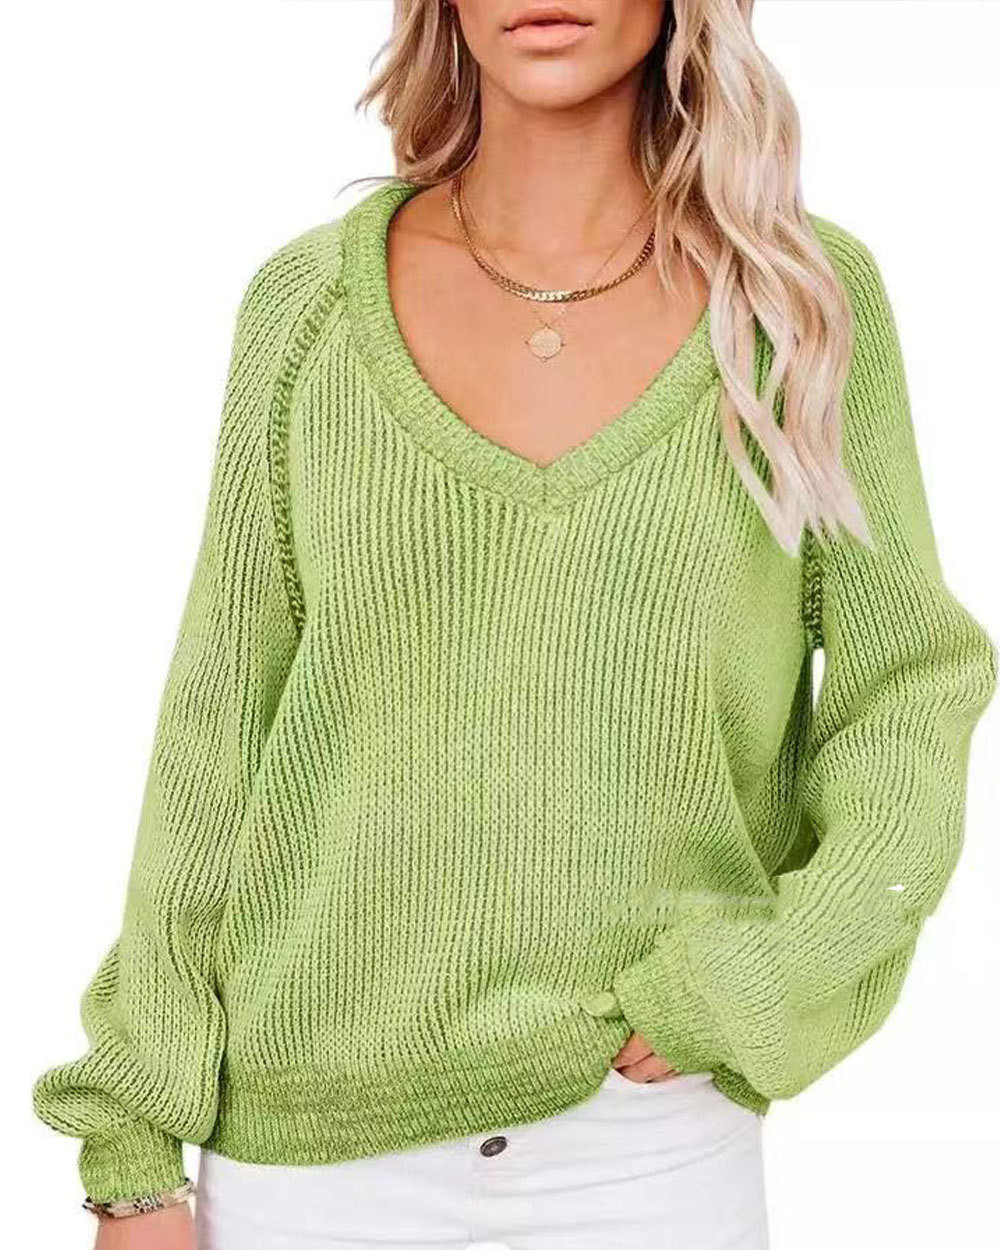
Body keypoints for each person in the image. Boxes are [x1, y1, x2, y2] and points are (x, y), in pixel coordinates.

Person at [33, 2, 997, 1248]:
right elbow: (217, 730)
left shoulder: (792, 302)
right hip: (306, 1159)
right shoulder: (311, 309)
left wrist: (774, 969)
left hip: (642, 1152)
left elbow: (909, 686)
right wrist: (133, 1159)